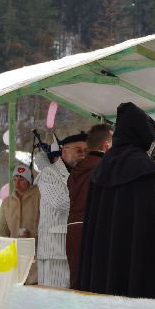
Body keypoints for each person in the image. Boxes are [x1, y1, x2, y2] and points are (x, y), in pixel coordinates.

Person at [76, 103, 155, 299]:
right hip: (133, 257)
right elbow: (151, 211)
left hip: (104, 258)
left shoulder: (103, 165)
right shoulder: (142, 166)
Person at [37, 131, 87, 288]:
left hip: (77, 250)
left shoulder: (84, 174)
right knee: (53, 299)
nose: (83, 155)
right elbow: (60, 202)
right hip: (54, 252)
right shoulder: (49, 173)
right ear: (64, 151)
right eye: (78, 150)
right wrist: (92, 202)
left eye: (86, 151)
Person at [66, 123, 113, 288]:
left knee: (77, 282)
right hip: (94, 228)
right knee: (97, 284)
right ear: (106, 145)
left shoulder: (76, 168)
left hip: (73, 228)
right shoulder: (105, 167)